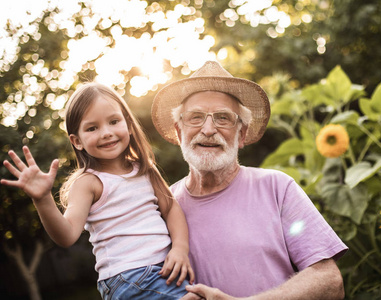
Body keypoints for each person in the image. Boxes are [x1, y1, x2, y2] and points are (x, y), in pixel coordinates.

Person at [151, 61, 348, 300]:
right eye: (196, 117)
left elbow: (330, 281)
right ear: (179, 132)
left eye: (223, 118)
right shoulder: (163, 206)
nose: (209, 129)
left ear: (241, 134)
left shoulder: (277, 188)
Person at [1, 83, 194, 299]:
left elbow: (172, 210)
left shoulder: (146, 170)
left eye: (113, 122)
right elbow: (67, 235)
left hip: (165, 268)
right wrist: (43, 199)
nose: (106, 133)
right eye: (92, 128)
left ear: (128, 124)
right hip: (129, 277)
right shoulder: (88, 183)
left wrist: (179, 248)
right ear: (77, 141)